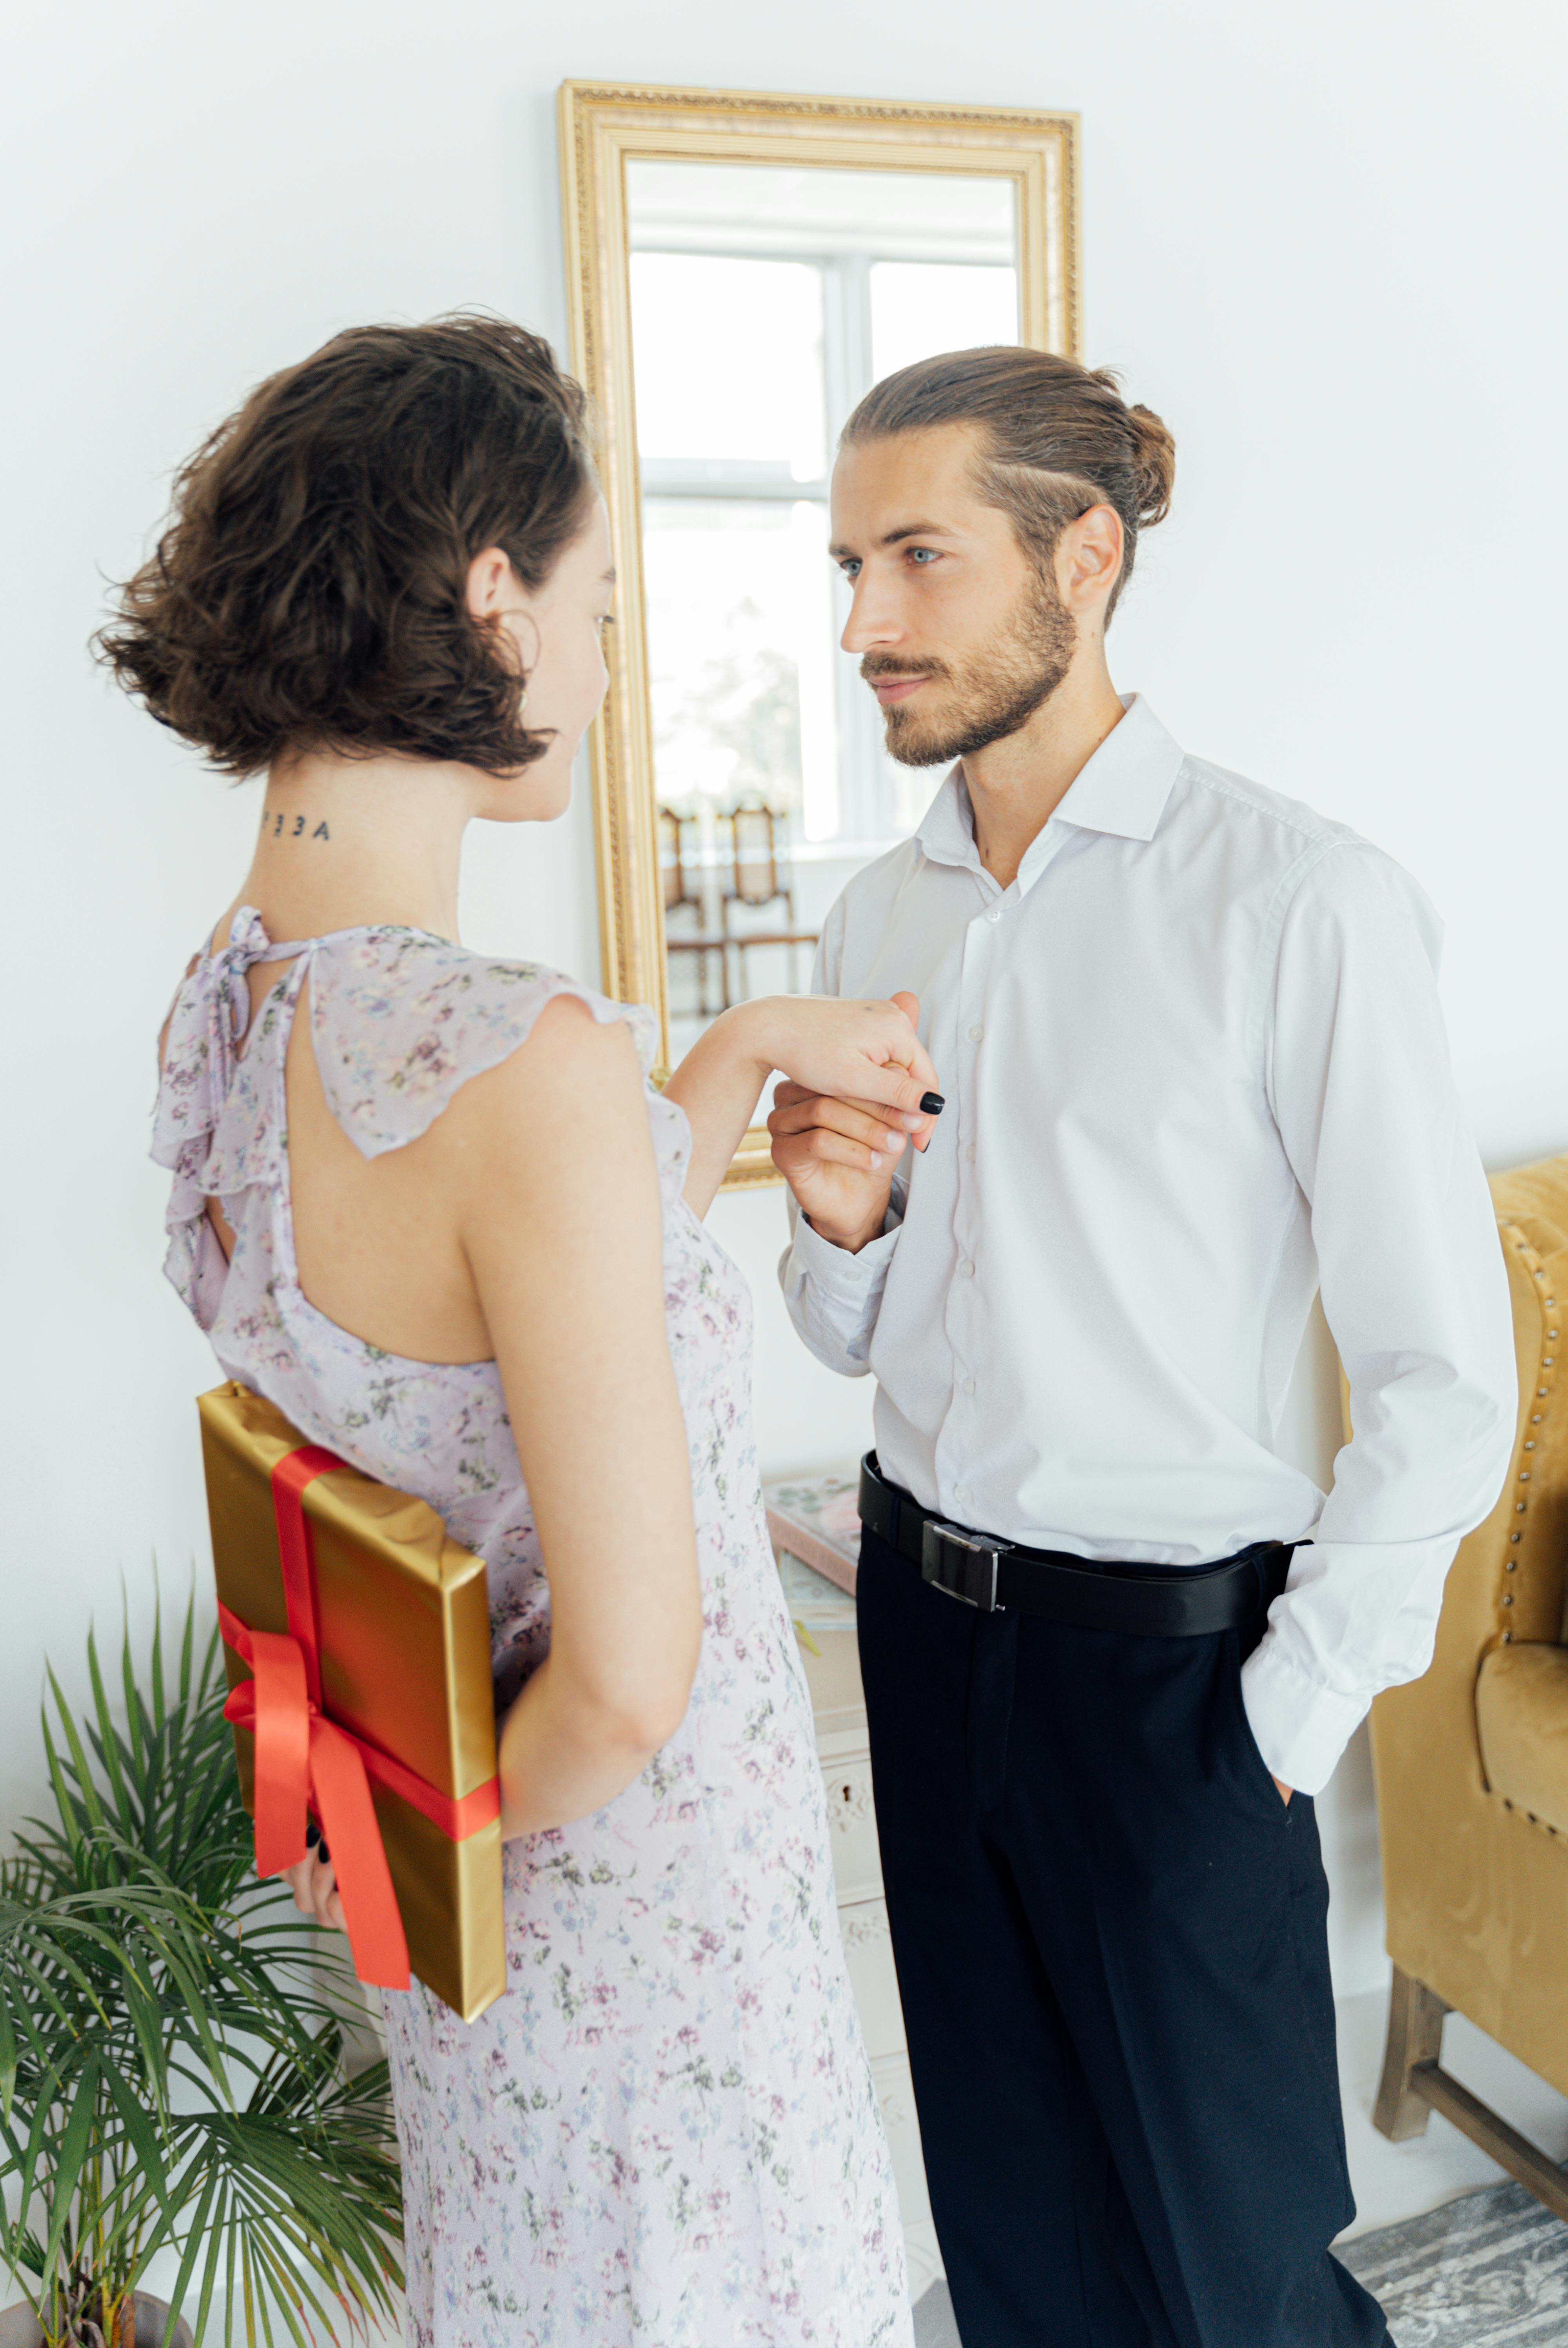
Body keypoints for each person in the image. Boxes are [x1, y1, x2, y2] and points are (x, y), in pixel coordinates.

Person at [105, 314, 941, 2348]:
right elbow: (632, 1687)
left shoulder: (227, 1010)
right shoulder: (517, 1059)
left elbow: (458, 1333)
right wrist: (430, 1831)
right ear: (490, 597)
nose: (600, 656)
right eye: (596, 600)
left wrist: (732, 1059)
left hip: (455, 1926)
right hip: (656, 1953)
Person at [769, 345, 1517, 2348]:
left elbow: (1449, 1379)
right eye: (846, 566)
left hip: (1175, 1684)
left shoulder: (1300, 903)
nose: (864, 624)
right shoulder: (878, 923)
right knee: (1010, 2249)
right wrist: (839, 1237)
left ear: (1079, 556)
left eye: (917, 559)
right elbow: (861, 1323)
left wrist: (1278, 1725)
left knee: (1239, 2282)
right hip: (928, 1642)